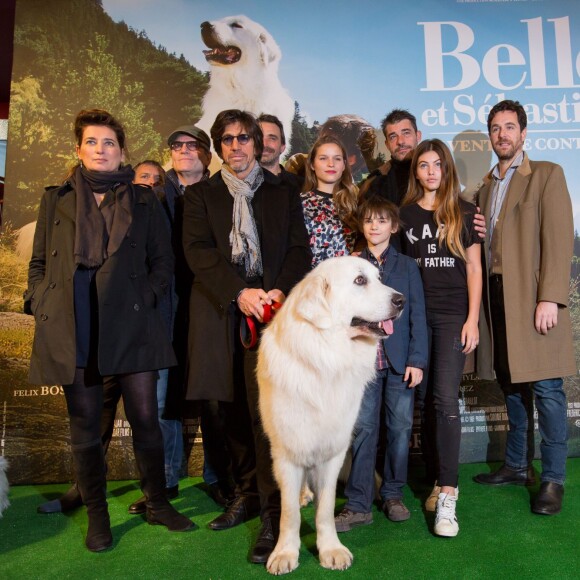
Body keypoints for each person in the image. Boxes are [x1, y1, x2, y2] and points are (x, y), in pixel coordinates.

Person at [24, 109, 193, 552]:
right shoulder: (55, 198)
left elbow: (164, 262)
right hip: (74, 324)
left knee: (145, 422)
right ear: (78, 149)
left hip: (133, 324)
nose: (101, 150)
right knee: (84, 427)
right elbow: (39, 260)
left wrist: (151, 299)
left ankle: (157, 502)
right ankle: (96, 515)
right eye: (92, 142)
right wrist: (38, 300)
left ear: (122, 151)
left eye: (110, 143)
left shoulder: (144, 201)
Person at [182, 109, 311, 564]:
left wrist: (277, 290)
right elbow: (198, 252)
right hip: (223, 313)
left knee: (267, 416)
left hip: (273, 314)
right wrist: (240, 293)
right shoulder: (201, 196)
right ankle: (246, 493)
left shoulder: (285, 190)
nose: (236, 146)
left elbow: (300, 248)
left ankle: (274, 514)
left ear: (257, 143)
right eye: (227, 139)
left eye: (243, 138)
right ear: (218, 146)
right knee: (229, 407)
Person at [473, 100, 575, 516]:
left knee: (547, 390)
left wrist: (549, 296)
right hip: (498, 299)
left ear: (524, 133)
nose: (502, 135)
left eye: (509, 127)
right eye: (495, 128)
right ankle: (517, 465)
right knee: (512, 386)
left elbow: (559, 238)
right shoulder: (485, 186)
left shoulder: (547, 175)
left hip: (533, 298)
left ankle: (553, 478)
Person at [399, 139, 482, 537]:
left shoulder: (465, 212)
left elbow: (474, 270)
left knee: (446, 399)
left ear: (447, 169)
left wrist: (472, 320)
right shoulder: (404, 215)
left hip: (452, 317)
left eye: (438, 164)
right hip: (416, 318)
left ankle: (449, 494)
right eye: (423, 165)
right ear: (416, 171)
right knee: (425, 402)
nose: (431, 171)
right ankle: (435, 482)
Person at [334, 196, 428, 532]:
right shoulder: (351, 266)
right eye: (369, 221)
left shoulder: (406, 267)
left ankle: (392, 494)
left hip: (399, 362)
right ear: (362, 225)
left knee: (400, 428)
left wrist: (417, 360)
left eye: (382, 221)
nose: (375, 226)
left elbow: (417, 315)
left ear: (394, 226)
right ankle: (358, 503)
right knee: (363, 430)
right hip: (362, 365)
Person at [301, 134, 359, 267]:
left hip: (347, 282)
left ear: (344, 165)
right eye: (323, 158)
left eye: (337, 159)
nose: (331, 164)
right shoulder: (299, 203)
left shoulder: (355, 203)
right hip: (312, 281)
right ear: (312, 165)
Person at [258, 113, 302, 191]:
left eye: (272, 138)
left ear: (282, 147)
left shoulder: (301, 187)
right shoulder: (233, 186)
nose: (264, 144)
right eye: (259, 137)